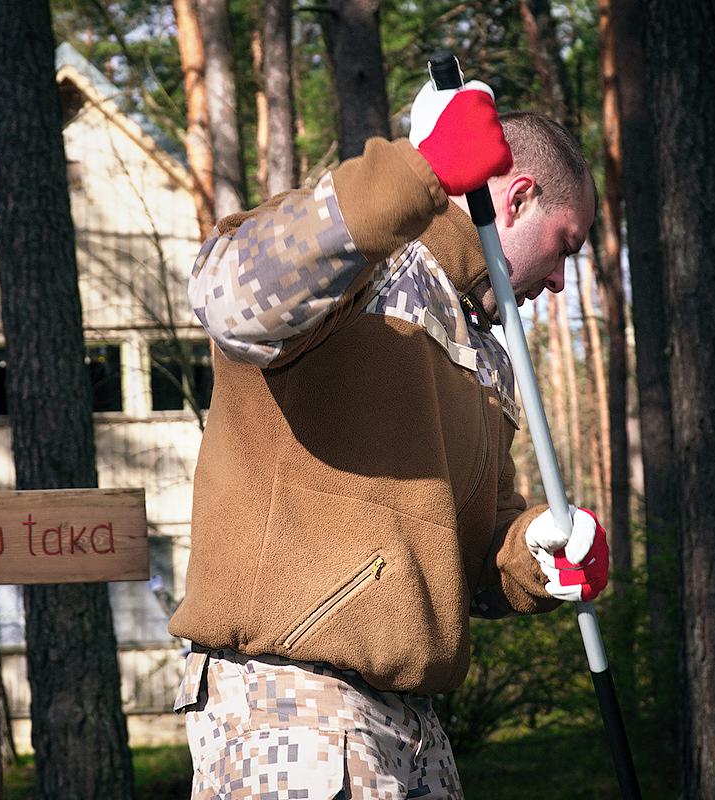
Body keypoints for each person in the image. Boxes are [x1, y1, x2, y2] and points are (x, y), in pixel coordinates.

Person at [168, 73, 609, 799]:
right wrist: (420, 171)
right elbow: (228, 301)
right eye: (565, 246)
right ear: (518, 197)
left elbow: (468, 559)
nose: (561, 281)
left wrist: (538, 550)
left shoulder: (488, 355)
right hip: (290, 705)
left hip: (413, 726)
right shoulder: (361, 253)